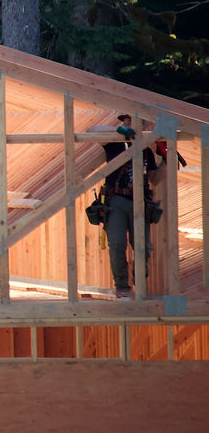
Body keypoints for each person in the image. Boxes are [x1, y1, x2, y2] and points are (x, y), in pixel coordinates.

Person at [90, 114, 163, 299]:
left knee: (143, 246)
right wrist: (119, 131)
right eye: (129, 121)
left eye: (142, 122)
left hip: (140, 201)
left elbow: (154, 179)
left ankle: (140, 285)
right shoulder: (114, 142)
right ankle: (122, 286)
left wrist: (167, 161)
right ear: (125, 123)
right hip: (117, 200)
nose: (137, 125)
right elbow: (92, 131)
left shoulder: (146, 148)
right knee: (117, 243)